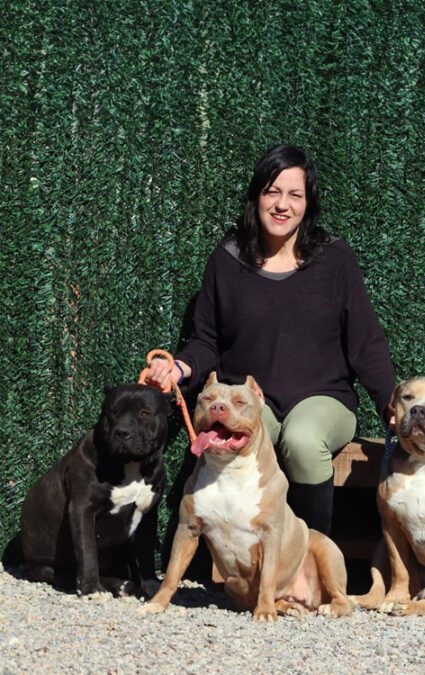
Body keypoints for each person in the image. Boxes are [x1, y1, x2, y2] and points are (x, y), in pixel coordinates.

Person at [145, 144, 395, 534]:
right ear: (256, 197)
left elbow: (365, 341)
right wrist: (178, 367)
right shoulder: (227, 260)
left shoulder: (336, 260)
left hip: (323, 398)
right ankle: (238, 562)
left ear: (308, 204)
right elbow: (207, 341)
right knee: (235, 429)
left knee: (303, 439)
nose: (282, 205)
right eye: (272, 192)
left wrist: (389, 403)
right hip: (253, 398)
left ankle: (308, 565)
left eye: (295, 195)